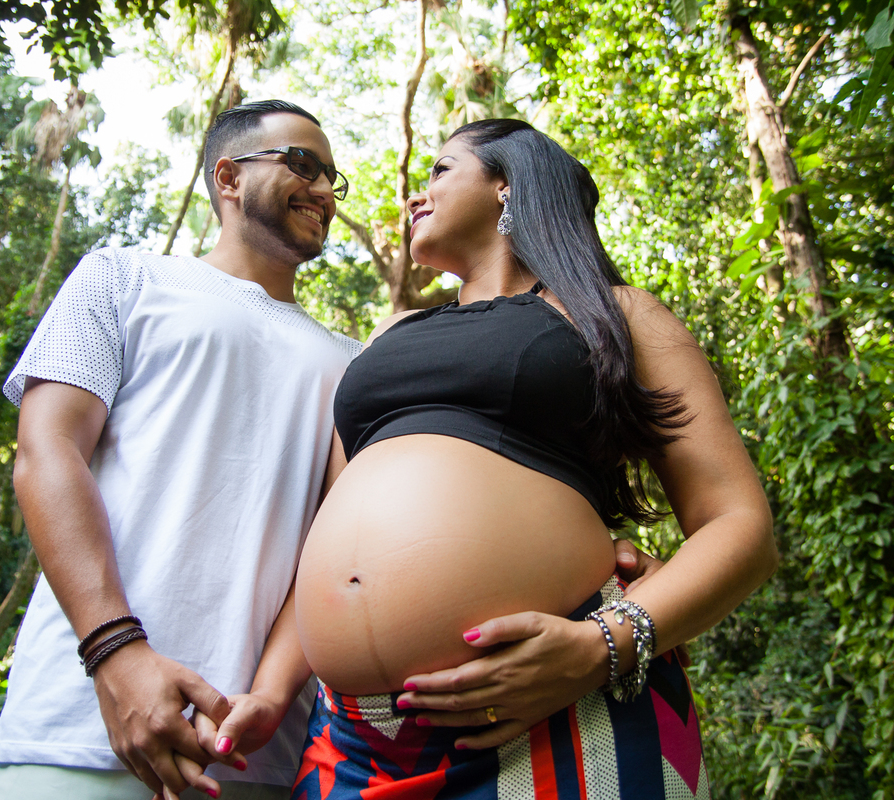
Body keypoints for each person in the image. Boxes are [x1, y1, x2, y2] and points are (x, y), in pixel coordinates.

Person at [195, 119, 778, 799]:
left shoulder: (617, 315)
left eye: (441, 170)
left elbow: (740, 526)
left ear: (507, 184)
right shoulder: (388, 335)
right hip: (354, 743)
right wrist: (270, 692)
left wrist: (601, 647)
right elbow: (329, 540)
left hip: (560, 709)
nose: (414, 195)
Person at [0, 100, 360, 800]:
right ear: (228, 177)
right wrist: (117, 655)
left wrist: (272, 696)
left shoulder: (356, 364)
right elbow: (45, 453)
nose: (326, 191)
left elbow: (333, 553)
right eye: (303, 164)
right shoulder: (121, 278)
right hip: (76, 730)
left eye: (334, 177)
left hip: (253, 758)